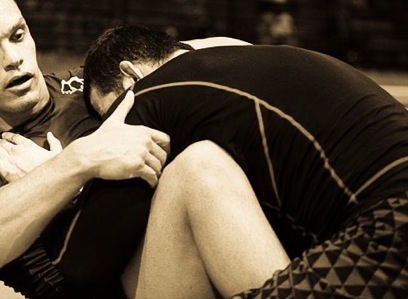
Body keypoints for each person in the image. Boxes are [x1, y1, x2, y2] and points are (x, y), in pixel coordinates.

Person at [80, 24, 408, 298]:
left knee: (194, 167)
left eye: (111, 116)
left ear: (131, 78)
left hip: (390, 224)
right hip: (380, 219)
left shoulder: (157, 90)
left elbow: (82, 261)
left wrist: (74, 164)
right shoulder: (252, 64)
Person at [0, 0, 171, 299]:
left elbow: (218, 54)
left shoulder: (94, 84)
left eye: (18, 35)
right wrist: (72, 165)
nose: (13, 58)